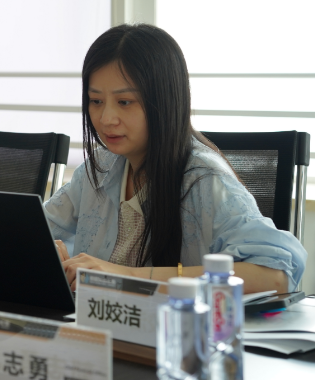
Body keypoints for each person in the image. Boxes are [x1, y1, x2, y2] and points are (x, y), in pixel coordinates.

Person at [46, 23, 306, 293]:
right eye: (96, 101)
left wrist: (128, 276)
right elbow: (36, 228)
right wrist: (44, 248)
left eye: (125, 102)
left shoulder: (205, 179)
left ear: (164, 101)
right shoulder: (100, 167)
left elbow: (277, 275)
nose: (106, 119)